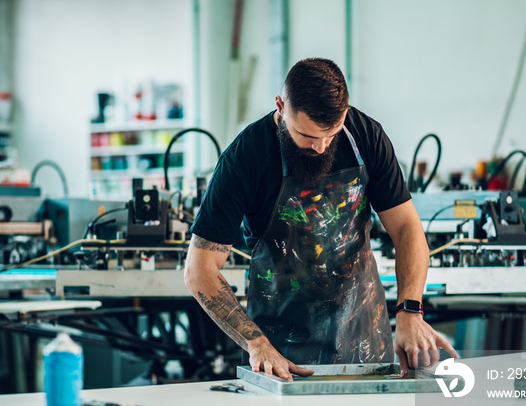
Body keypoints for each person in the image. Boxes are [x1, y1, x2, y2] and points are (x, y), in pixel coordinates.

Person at [184, 58, 457, 381]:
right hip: (281, 356)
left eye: (332, 133)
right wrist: (255, 343)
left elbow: (407, 228)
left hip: (366, 342)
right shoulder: (246, 157)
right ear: (281, 106)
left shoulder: (366, 136)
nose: (321, 146)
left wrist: (410, 310)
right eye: (307, 135)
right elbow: (199, 269)